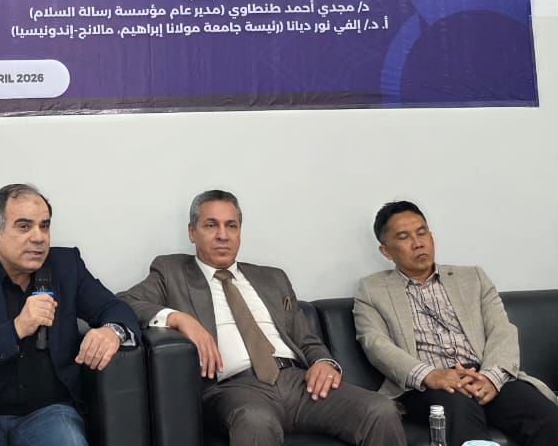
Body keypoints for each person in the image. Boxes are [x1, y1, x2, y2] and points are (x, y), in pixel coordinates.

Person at [119, 189, 404, 445]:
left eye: (231, 226)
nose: (223, 235)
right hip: (234, 387)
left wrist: (324, 362)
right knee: (256, 422)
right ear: (192, 232)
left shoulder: (272, 278)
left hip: (298, 382)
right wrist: (179, 319)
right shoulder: (172, 272)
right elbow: (124, 303)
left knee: (379, 410)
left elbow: (306, 339)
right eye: (211, 225)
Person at [0, 184, 139, 446]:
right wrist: (16, 329)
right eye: (24, 226)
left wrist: (112, 331)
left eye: (44, 226)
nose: (39, 237)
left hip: (49, 411)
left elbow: (115, 308)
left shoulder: (66, 266)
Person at [355, 200, 558, 446]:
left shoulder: (473, 278)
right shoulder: (372, 289)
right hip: (426, 386)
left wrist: (491, 377)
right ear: (386, 251)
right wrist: (430, 375)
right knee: (459, 409)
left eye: (422, 232)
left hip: (484, 373)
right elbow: (375, 344)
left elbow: (502, 330)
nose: (418, 243)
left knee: (550, 420)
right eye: (404, 237)